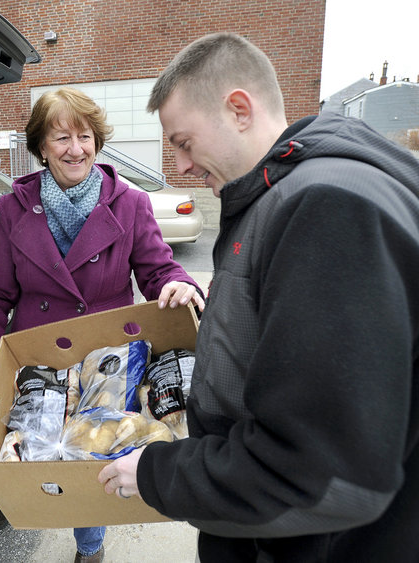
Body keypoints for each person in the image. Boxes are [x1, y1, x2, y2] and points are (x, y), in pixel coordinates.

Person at [98, 32, 419, 562]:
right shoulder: (287, 193)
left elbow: (321, 474)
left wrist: (160, 474)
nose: (179, 166)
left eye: (182, 142)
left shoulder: (324, 210)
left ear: (239, 109)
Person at [0, 86, 204, 563]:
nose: (75, 149)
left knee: (87, 455)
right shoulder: (14, 206)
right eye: (61, 138)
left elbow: (158, 270)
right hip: (39, 352)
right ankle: (17, 501)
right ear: (40, 147)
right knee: (28, 436)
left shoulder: (130, 204)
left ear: (97, 141)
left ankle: (89, 548)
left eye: (84, 136)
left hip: (105, 358)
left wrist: (179, 285)